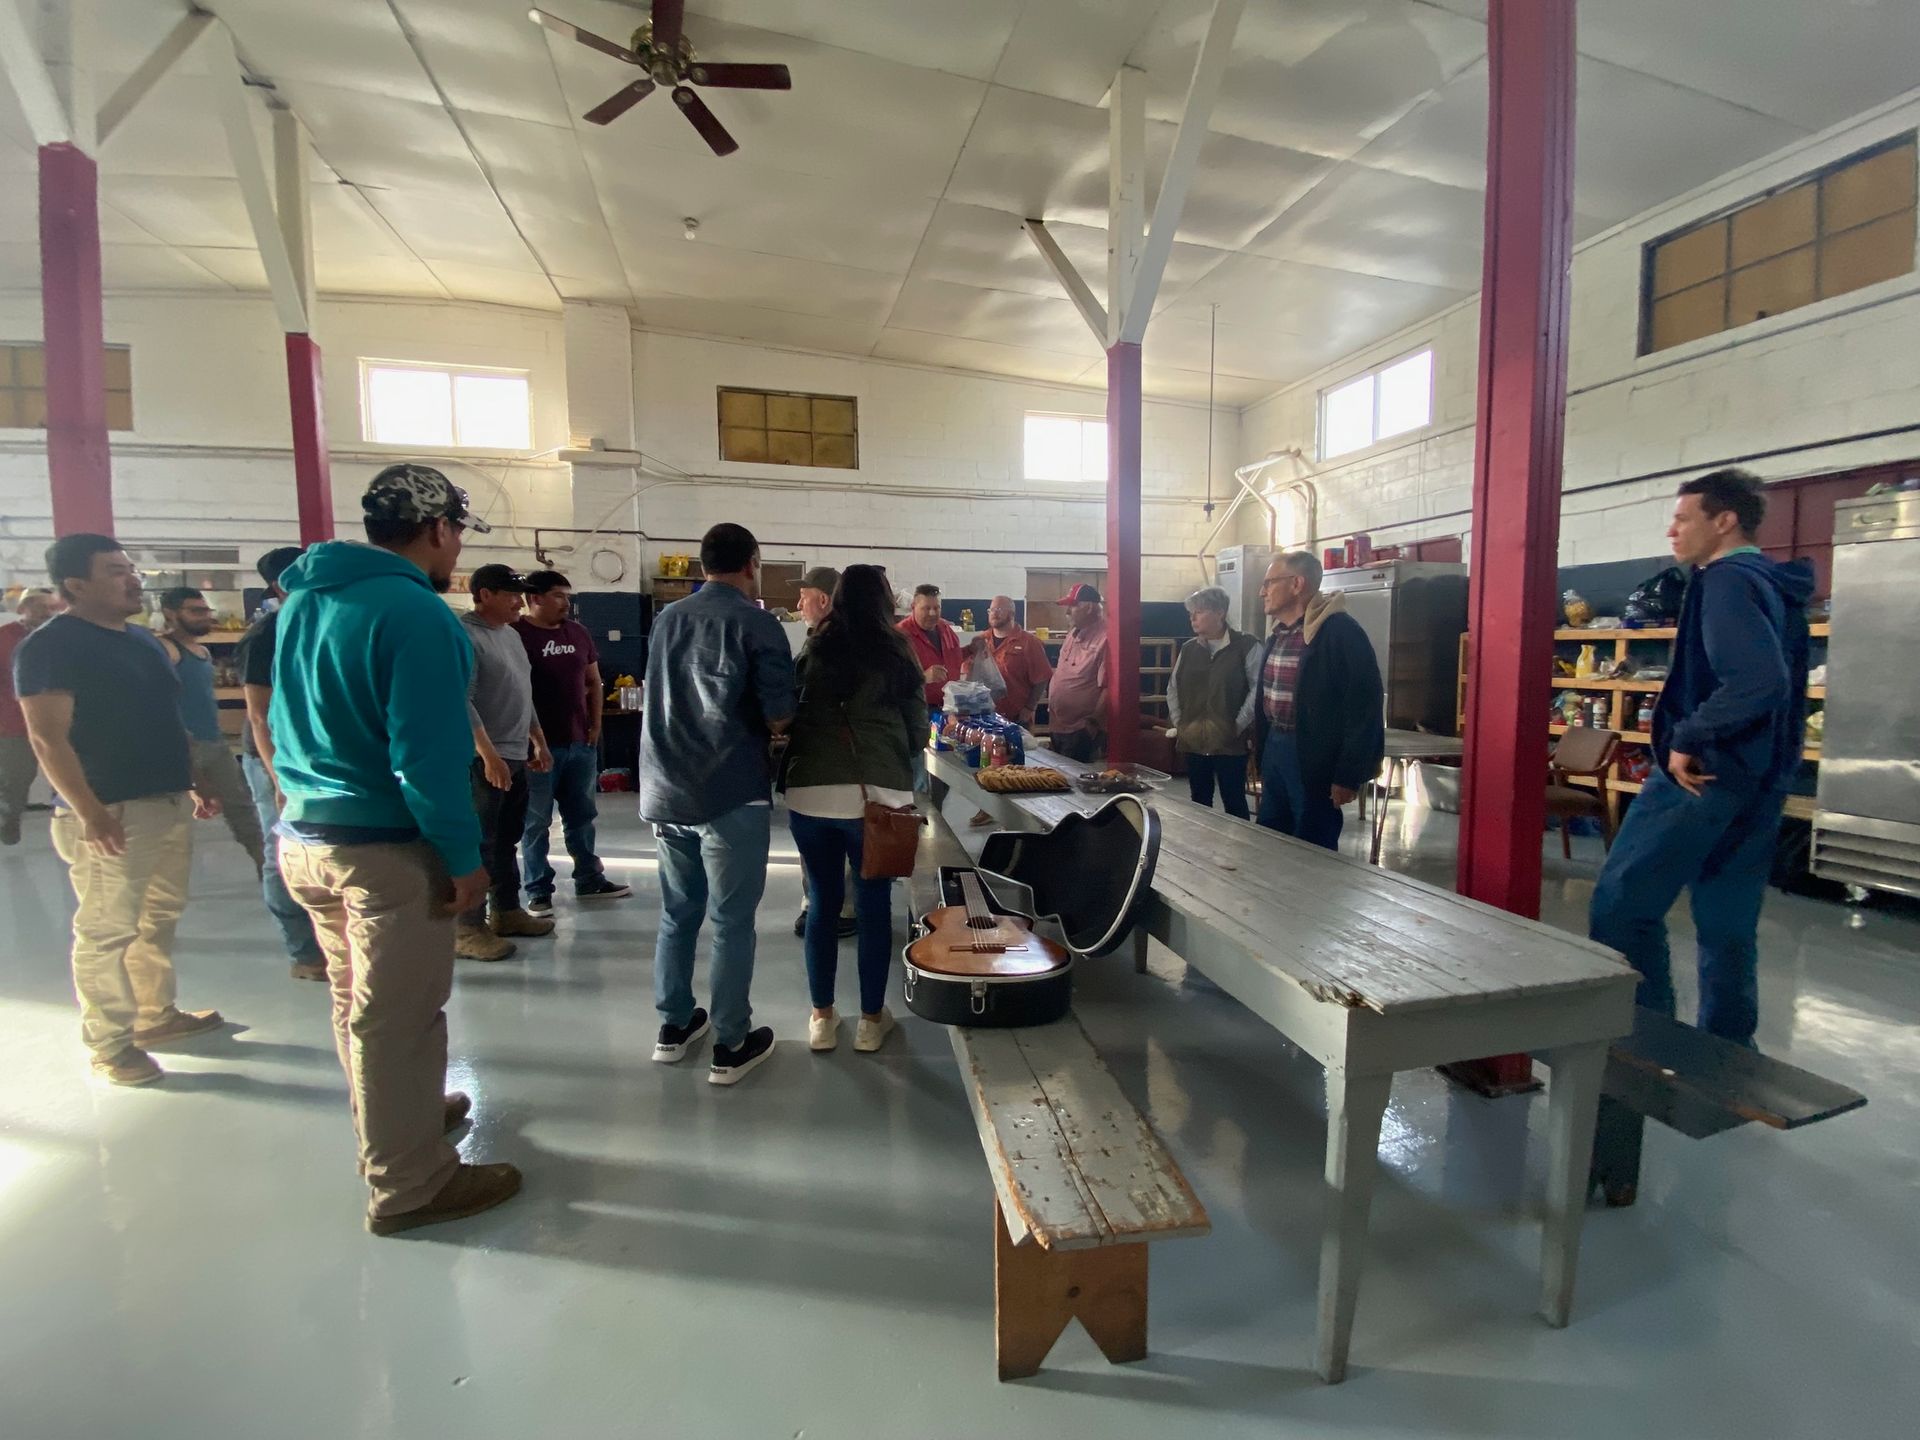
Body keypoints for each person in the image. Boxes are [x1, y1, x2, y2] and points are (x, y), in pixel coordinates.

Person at [272, 465, 520, 1234]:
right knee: (401, 1019)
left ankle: (400, 1117)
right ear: (440, 529)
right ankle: (409, 1184)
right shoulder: (416, 615)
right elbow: (426, 754)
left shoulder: (304, 599)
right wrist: (460, 856)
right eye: (456, 536)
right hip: (383, 848)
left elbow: (278, 719)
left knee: (358, 1006)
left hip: (306, 836)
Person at [1589, 469, 1813, 1047]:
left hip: (1704, 776)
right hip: (1758, 780)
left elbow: (1759, 681)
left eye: (1683, 517)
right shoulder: (1772, 581)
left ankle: (1646, 1043)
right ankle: (1726, 1053)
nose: (1672, 529)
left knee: (1621, 907)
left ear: (1724, 521)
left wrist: (1689, 736)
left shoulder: (1726, 582)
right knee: (1726, 924)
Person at [15, 535, 225, 1086]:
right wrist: (90, 812)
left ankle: (155, 1016)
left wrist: (194, 780)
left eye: (132, 569)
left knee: (158, 917)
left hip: (166, 798)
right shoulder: (51, 646)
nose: (133, 579)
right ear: (75, 584)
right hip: (110, 809)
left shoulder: (144, 642)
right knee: (108, 930)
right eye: (115, 571)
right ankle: (109, 1045)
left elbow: (166, 719)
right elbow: (47, 738)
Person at [640, 522, 795, 1086]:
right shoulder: (757, 624)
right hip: (729, 789)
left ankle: (674, 1027)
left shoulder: (665, 621)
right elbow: (779, 714)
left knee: (677, 913)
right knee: (731, 921)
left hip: (665, 788)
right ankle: (731, 1043)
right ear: (752, 562)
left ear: (702, 564)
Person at [781, 564, 927, 1054]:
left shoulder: (816, 647)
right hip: (878, 800)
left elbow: (793, 709)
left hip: (811, 794)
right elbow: (918, 732)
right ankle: (870, 1020)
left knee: (822, 902)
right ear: (885, 601)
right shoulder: (896, 650)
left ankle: (821, 1019)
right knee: (871, 904)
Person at [514, 569, 629, 915]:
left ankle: (589, 880)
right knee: (535, 822)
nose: (567, 602)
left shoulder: (578, 633)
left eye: (567, 596)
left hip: (580, 743)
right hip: (537, 749)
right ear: (535, 599)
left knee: (582, 816)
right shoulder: (515, 635)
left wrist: (595, 727)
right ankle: (538, 890)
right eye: (559, 596)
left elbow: (595, 682)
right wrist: (532, 741)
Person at [1251, 552, 1384, 850]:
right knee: (1270, 837)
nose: (1263, 591)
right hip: (1277, 747)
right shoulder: (1278, 636)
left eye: (1269, 583)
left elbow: (1364, 708)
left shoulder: (1339, 633)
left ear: (1297, 583)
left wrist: (1348, 774)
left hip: (1313, 755)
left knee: (1312, 845)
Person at [237, 546, 327, 981]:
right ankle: (304, 952)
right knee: (282, 854)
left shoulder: (320, 625)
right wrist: (279, 776)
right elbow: (258, 715)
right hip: (273, 758)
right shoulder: (265, 635)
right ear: (281, 584)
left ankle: (331, 939)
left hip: (318, 755)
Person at [460, 564, 553, 960]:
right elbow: (459, 699)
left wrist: (538, 740)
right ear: (483, 594)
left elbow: (522, 691)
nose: (520, 601)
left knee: (506, 839)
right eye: (511, 593)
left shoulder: (511, 636)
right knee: (479, 842)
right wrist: (487, 753)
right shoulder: (463, 636)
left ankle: (506, 911)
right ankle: (466, 928)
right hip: (483, 758)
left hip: (514, 753)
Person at [156, 586, 267, 871]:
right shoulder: (165, 649)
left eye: (206, 611)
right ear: (170, 613)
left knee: (245, 814)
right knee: (169, 825)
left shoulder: (202, 651)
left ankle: (270, 877)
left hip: (214, 744)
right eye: (196, 611)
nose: (205, 617)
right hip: (180, 747)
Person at [788, 565, 856, 941]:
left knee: (832, 839)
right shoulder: (819, 638)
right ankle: (820, 904)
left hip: (832, 761)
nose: (799, 603)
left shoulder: (832, 644)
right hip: (822, 761)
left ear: (825, 599)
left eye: (804, 595)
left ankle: (836, 910)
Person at [1168, 585, 1261, 819]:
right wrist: (1182, 724)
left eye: (1198, 612)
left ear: (1219, 613)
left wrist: (1236, 725)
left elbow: (1257, 689)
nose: (1192, 618)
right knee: (1199, 802)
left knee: (1234, 801)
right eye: (1191, 612)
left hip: (1230, 743)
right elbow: (1173, 688)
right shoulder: (1189, 649)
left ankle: (1239, 851)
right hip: (1193, 740)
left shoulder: (1246, 646)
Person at [1, 586, 58, 846]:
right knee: (16, 782)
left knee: (69, 780)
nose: (46, 613)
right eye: (39, 607)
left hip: (61, 723)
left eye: (51, 607)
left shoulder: (61, 637)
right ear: (23, 609)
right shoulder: (5, 638)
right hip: (15, 725)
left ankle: (71, 831)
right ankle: (7, 831)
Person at [1046, 583, 1109, 763]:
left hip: (1081, 729)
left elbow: (1109, 687)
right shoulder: (1073, 633)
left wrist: (1093, 724)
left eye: (1072, 606)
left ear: (1088, 607)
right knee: (1059, 781)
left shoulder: (1106, 638)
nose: (1067, 612)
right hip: (1058, 725)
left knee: (1075, 784)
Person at [982, 593, 1053, 728]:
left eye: (999, 610)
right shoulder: (981, 640)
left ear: (1012, 613)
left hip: (1016, 719)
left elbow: (1042, 678)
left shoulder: (1029, 643)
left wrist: (1029, 708)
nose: (994, 613)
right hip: (986, 717)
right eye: (991, 610)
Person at [898, 583, 966, 712]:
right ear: (913, 607)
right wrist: (923, 678)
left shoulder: (945, 629)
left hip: (948, 710)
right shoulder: (900, 636)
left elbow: (954, 659)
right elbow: (891, 683)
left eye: (937, 607)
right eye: (926, 608)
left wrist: (971, 650)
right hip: (915, 711)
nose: (932, 613)